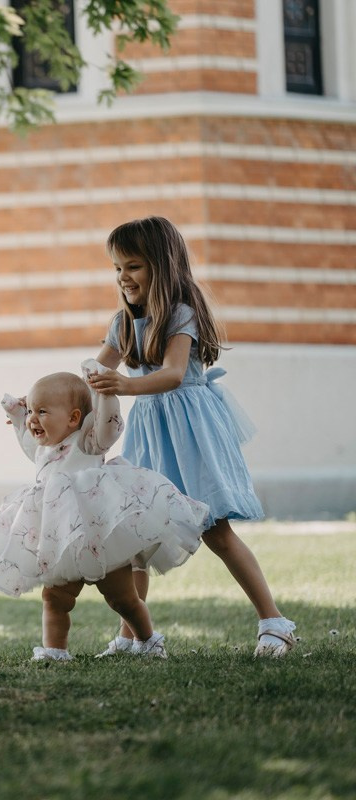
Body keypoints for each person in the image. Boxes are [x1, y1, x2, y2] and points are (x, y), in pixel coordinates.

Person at [85, 215, 298, 657]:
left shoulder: (180, 312)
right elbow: (93, 373)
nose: (123, 277)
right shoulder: (122, 323)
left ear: (160, 266)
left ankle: (274, 623)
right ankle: (135, 638)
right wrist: (47, 404)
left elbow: (173, 374)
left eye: (134, 266)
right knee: (136, 536)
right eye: (117, 268)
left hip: (189, 430)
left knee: (215, 530)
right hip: (149, 432)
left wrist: (124, 385)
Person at [0, 367, 212, 661]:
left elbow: (110, 424)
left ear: (73, 418)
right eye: (32, 410)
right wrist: (20, 417)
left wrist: (106, 395)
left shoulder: (87, 441)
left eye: (42, 411)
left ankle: (147, 640)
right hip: (60, 540)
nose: (34, 418)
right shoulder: (43, 448)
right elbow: (27, 441)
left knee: (122, 599)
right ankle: (54, 652)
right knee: (55, 598)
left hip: (100, 536)